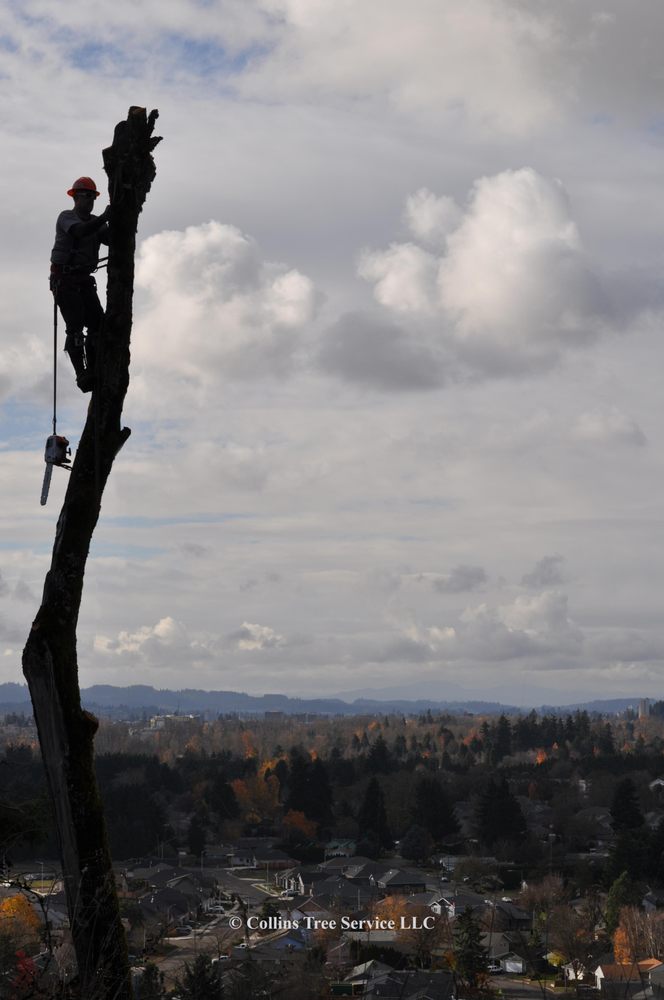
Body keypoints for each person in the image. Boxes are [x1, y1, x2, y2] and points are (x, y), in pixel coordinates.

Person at [50, 177, 110, 392]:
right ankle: (82, 374)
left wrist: (117, 220)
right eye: (86, 196)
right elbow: (80, 231)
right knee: (75, 328)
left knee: (98, 325)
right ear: (75, 197)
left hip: (83, 279)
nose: (90, 200)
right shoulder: (67, 217)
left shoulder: (96, 222)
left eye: (93, 196)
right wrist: (104, 218)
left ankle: (94, 368)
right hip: (65, 280)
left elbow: (110, 239)